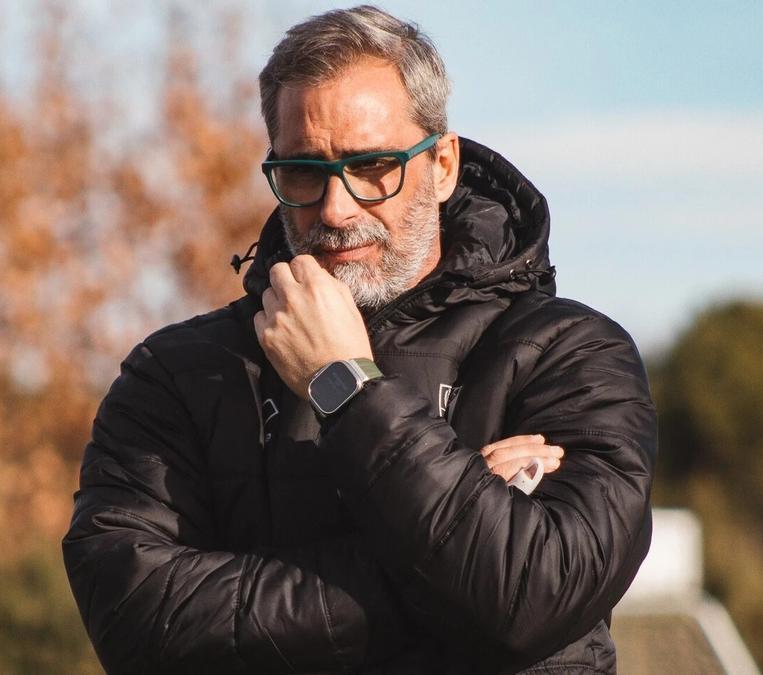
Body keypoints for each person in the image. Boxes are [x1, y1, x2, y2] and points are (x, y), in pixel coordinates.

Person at [63, 5, 656, 673]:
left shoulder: (571, 354)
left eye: (374, 165)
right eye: (303, 171)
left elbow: (530, 594)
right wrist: (450, 554)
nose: (336, 208)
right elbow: (139, 622)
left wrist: (343, 384)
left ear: (442, 163)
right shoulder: (178, 374)